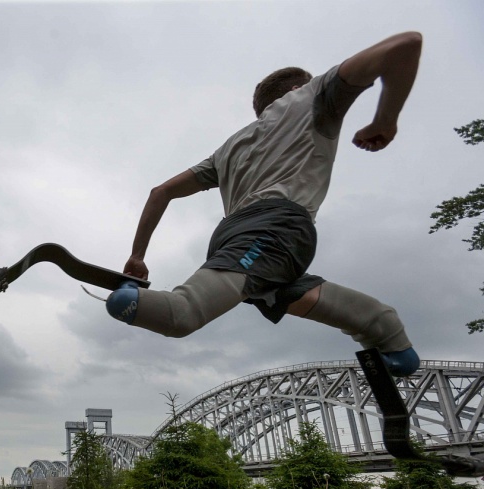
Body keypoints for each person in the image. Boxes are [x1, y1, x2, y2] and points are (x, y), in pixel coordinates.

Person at [105, 31, 424, 376]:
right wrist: (385, 121)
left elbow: (160, 192)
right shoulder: (312, 95)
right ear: (294, 89)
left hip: (235, 239)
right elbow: (405, 45)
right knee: (181, 314)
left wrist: (137, 256)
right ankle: (129, 301)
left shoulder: (230, 146)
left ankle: (387, 330)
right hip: (276, 229)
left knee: (284, 291)